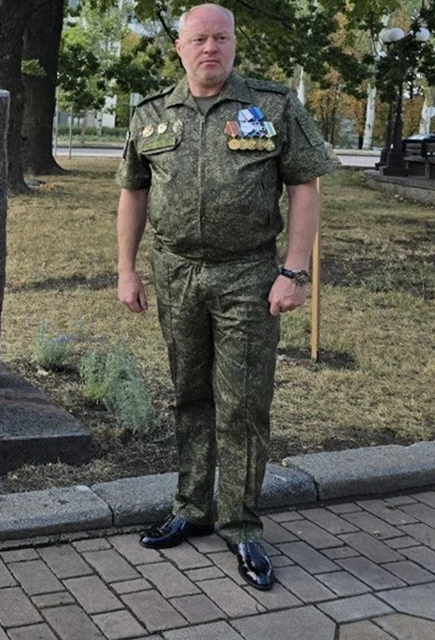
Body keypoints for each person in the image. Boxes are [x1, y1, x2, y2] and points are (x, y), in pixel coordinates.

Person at [116, 3, 334, 591]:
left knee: (241, 403)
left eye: (221, 37)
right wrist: (126, 269)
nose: (210, 47)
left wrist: (294, 271)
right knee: (190, 393)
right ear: (180, 48)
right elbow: (133, 193)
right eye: (199, 39)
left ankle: (240, 525)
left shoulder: (272, 106)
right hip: (177, 273)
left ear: (233, 43)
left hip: (248, 276)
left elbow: (305, 188)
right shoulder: (151, 114)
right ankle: (191, 506)